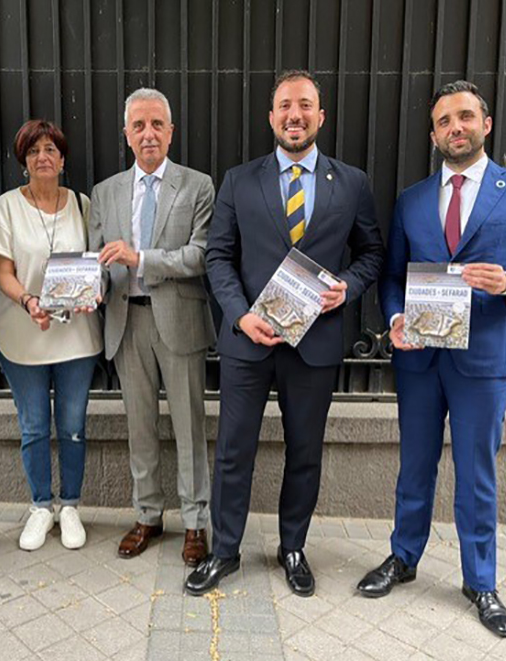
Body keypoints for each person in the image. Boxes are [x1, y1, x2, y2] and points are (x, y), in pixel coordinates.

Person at [357, 80, 506, 637]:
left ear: (485, 124)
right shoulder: (412, 200)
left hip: (483, 362)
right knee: (414, 467)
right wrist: (396, 319)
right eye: (445, 121)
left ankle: (481, 581)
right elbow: (394, 278)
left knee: (477, 475)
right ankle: (403, 558)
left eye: (465, 117)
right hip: (420, 359)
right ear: (433, 134)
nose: (456, 128)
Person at [185, 70, 384, 598]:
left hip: (314, 344)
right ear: (271, 117)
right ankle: (224, 550)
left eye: (305, 105)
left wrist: (349, 286)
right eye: (284, 106)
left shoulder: (353, 183)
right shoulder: (238, 180)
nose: (294, 115)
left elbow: (372, 253)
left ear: (320, 115)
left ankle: (292, 547)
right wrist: (238, 314)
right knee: (233, 450)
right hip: (248, 340)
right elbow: (218, 256)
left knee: (305, 451)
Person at [89, 88, 216, 567]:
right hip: (127, 321)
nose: (148, 134)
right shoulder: (105, 192)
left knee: (188, 426)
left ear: (171, 131)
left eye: (157, 124)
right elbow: (96, 260)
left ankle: (195, 522)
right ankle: (147, 515)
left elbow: (201, 255)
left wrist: (140, 258)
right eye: (138, 126)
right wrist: (89, 287)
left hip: (178, 319)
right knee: (139, 427)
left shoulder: (198, 185)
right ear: (125, 134)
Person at [0, 120, 102, 552]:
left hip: (76, 336)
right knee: (34, 425)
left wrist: (95, 289)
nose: (43, 157)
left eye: (50, 149)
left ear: (63, 158)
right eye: (34, 151)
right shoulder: (5, 208)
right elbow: (2, 273)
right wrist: (30, 301)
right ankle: (39, 506)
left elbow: (97, 263)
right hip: (23, 331)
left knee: (72, 425)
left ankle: (69, 506)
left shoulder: (84, 205)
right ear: (23, 162)